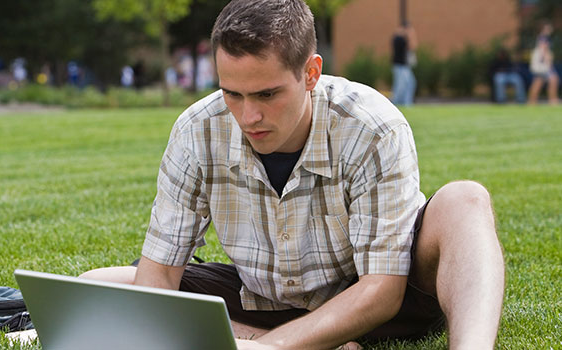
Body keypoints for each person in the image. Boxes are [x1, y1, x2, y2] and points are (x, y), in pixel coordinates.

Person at [80, 0, 505, 349]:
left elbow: (382, 290)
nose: (249, 116)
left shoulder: (372, 126)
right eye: (232, 93)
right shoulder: (196, 132)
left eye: (267, 94)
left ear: (311, 73)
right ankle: (274, 340)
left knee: (465, 199)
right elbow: (158, 278)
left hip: (382, 301)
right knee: (99, 285)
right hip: (265, 299)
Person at [527, 23, 558, 105]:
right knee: (553, 80)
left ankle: (531, 101)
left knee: (538, 82)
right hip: (543, 64)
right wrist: (548, 62)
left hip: (541, 64)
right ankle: (553, 100)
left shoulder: (542, 37)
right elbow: (543, 49)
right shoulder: (544, 37)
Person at [391, 22, 417, 106]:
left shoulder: (401, 38)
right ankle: (397, 103)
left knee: (410, 83)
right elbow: (412, 46)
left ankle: (407, 102)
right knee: (400, 86)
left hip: (404, 66)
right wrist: (411, 35)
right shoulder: (398, 38)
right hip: (400, 66)